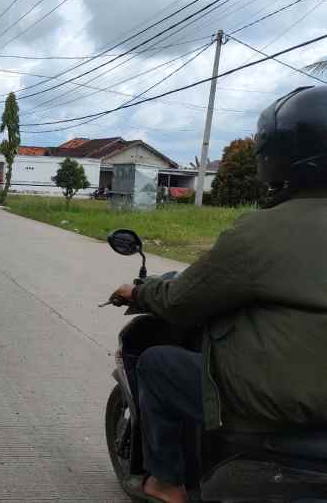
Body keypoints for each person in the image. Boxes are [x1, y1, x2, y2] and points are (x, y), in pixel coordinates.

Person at [111, 85, 327, 503]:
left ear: (276, 156)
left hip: (278, 406)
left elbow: (182, 299)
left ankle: (166, 484)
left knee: (157, 364)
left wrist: (138, 293)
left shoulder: (260, 232)